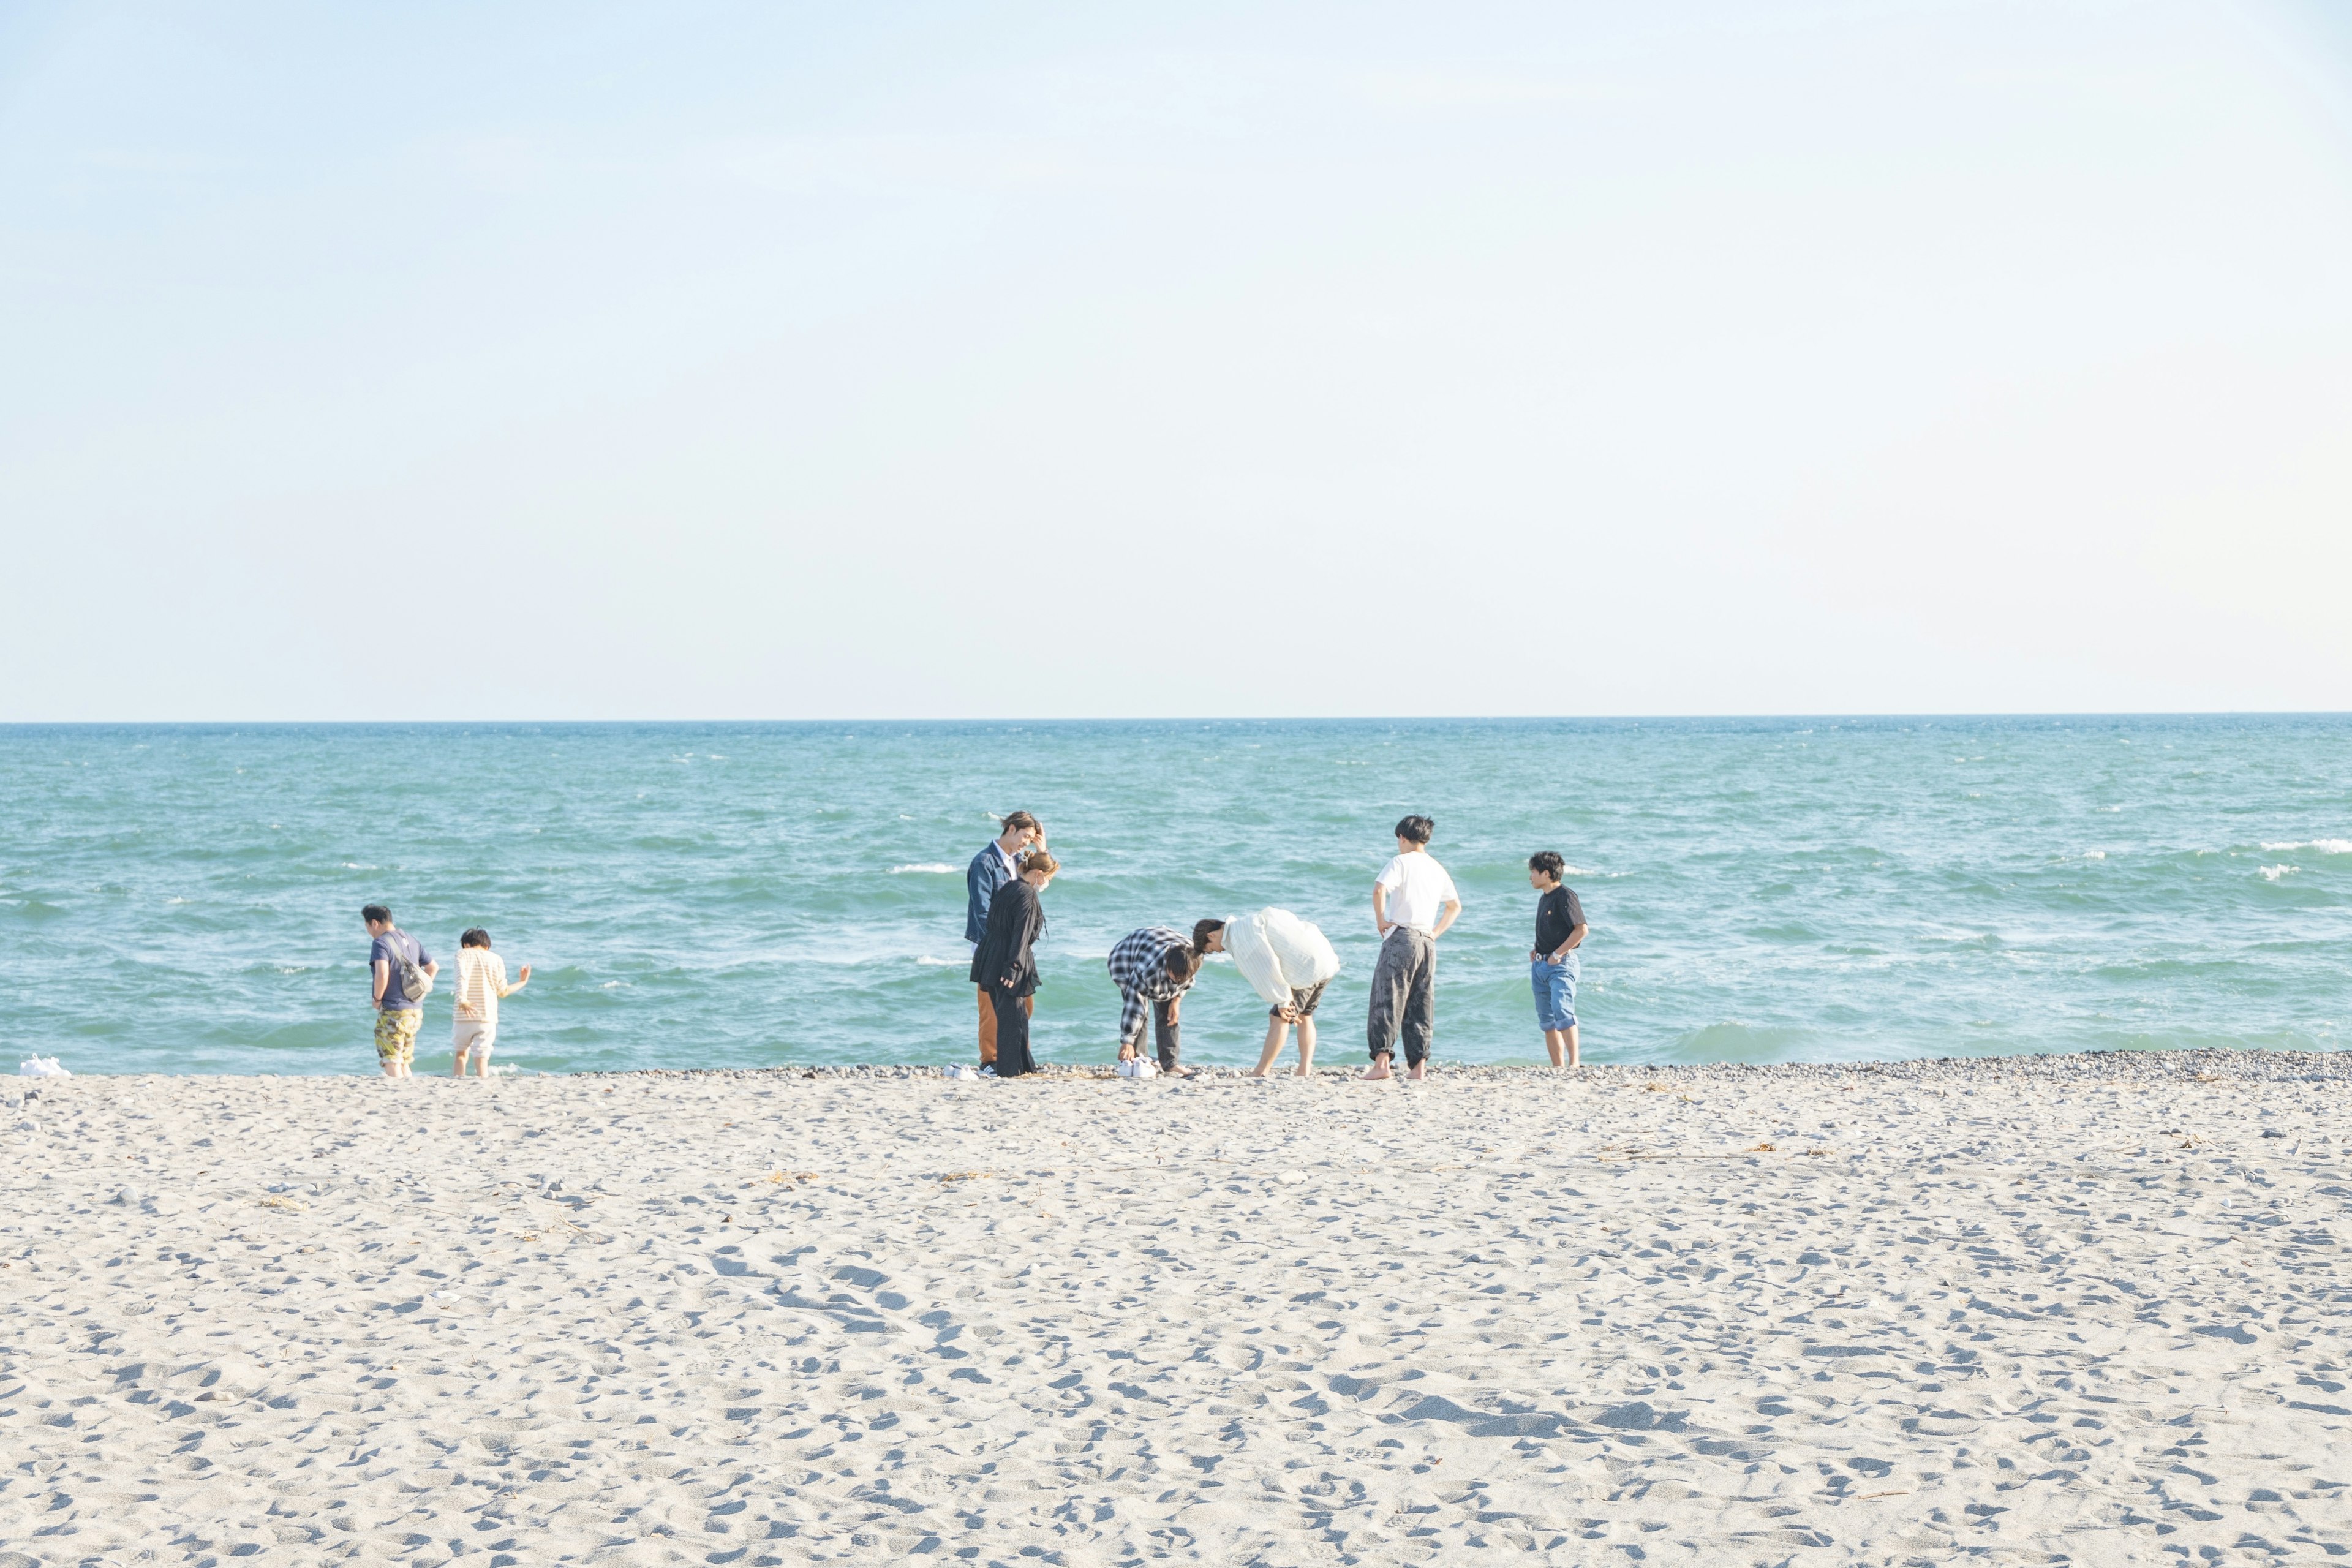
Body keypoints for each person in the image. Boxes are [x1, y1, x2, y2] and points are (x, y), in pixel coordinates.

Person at [1364, 816, 1460, 1082]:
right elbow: (1455, 906)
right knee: (1421, 1002)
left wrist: (1381, 921)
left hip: (1402, 937)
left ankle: (1382, 1064)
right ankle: (1418, 1068)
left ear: (1403, 838)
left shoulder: (1400, 862)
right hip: (1426, 942)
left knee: (1386, 999)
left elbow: (1379, 890)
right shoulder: (1437, 868)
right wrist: (1435, 933)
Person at [965, 812, 1045, 1071]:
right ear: (1011, 829)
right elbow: (982, 911)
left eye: (1031, 839)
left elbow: (1037, 883)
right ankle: (990, 1060)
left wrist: (1042, 850)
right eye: (1026, 837)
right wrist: (1000, 948)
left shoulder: (1021, 862)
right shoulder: (984, 863)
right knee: (992, 1008)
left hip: (1017, 949)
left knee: (1024, 1005)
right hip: (994, 948)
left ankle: (1018, 1058)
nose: (1027, 843)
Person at [1225, 908, 1343, 1078]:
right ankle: (1304, 1070)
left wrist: (1282, 1000)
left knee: (1279, 1017)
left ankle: (1262, 1070)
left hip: (1306, 969)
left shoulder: (1245, 935)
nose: (1218, 951)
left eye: (1210, 948)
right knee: (1306, 1016)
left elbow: (1267, 964)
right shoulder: (1261, 919)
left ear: (1211, 936)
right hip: (1325, 961)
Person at [1106, 920, 1227, 1077]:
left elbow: (1188, 981)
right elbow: (1134, 1007)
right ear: (1167, 967)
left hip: (1162, 944)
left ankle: (1170, 1064)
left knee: (1169, 1014)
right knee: (1140, 1015)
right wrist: (1127, 1041)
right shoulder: (1147, 971)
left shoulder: (1195, 957)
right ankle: (1139, 1060)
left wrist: (1176, 1000)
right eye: (1174, 977)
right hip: (1125, 958)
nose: (1176, 982)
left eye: (1180, 980)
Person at [1528, 852, 1589, 1069]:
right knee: (1547, 1021)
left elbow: (1581, 930)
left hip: (1561, 966)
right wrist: (1538, 949)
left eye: (1533, 872)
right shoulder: (1544, 897)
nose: (1531, 877)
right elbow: (1553, 929)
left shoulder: (1565, 896)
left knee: (1563, 1011)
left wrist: (1557, 954)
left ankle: (1574, 1064)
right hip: (1540, 967)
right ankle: (1558, 1068)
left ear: (1546, 873)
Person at [363, 905, 437, 1080]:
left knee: (391, 1059)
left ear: (375, 923)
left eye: (366, 927)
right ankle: (409, 1093)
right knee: (404, 1059)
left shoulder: (380, 943)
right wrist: (418, 992)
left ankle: (396, 1093)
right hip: (415, 1010)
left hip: (394, 1009)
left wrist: (377, 998)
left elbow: (382, 973)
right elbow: (433, 967)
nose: (368, 931)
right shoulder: (411, 939)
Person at [451, 928, 531, 1079]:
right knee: (482, 1058)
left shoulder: (462, 954)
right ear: (487, 946)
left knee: (461, 1054)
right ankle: (483, 1083)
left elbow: (461, 977)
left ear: (466, 944)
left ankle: (457, 1082)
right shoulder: (496, 959)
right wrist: (522, 981)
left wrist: (462, 1000)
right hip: (487, 1016)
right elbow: (503, 991)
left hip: (464, 1015)